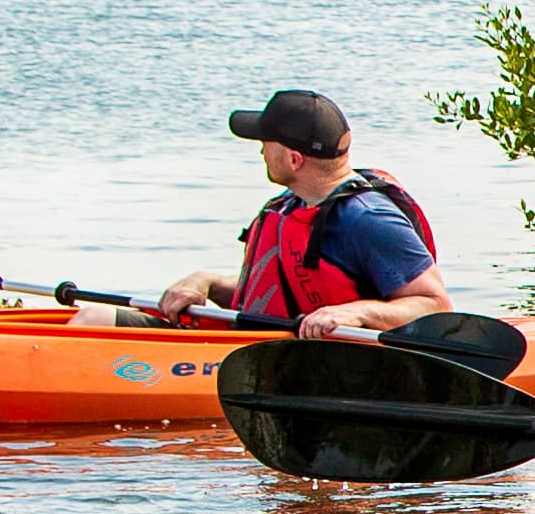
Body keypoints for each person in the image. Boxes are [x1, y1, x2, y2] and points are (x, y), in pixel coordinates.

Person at [158, 88, 456, 338]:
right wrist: (206, 283)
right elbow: (283, 294)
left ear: (294, 159)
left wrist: (357, 312)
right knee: (111, 317)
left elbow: (435, 306)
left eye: (266, 143)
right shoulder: (295, 203)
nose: (261, 151)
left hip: (337, 365)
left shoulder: (370, 219)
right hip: (262, 346)